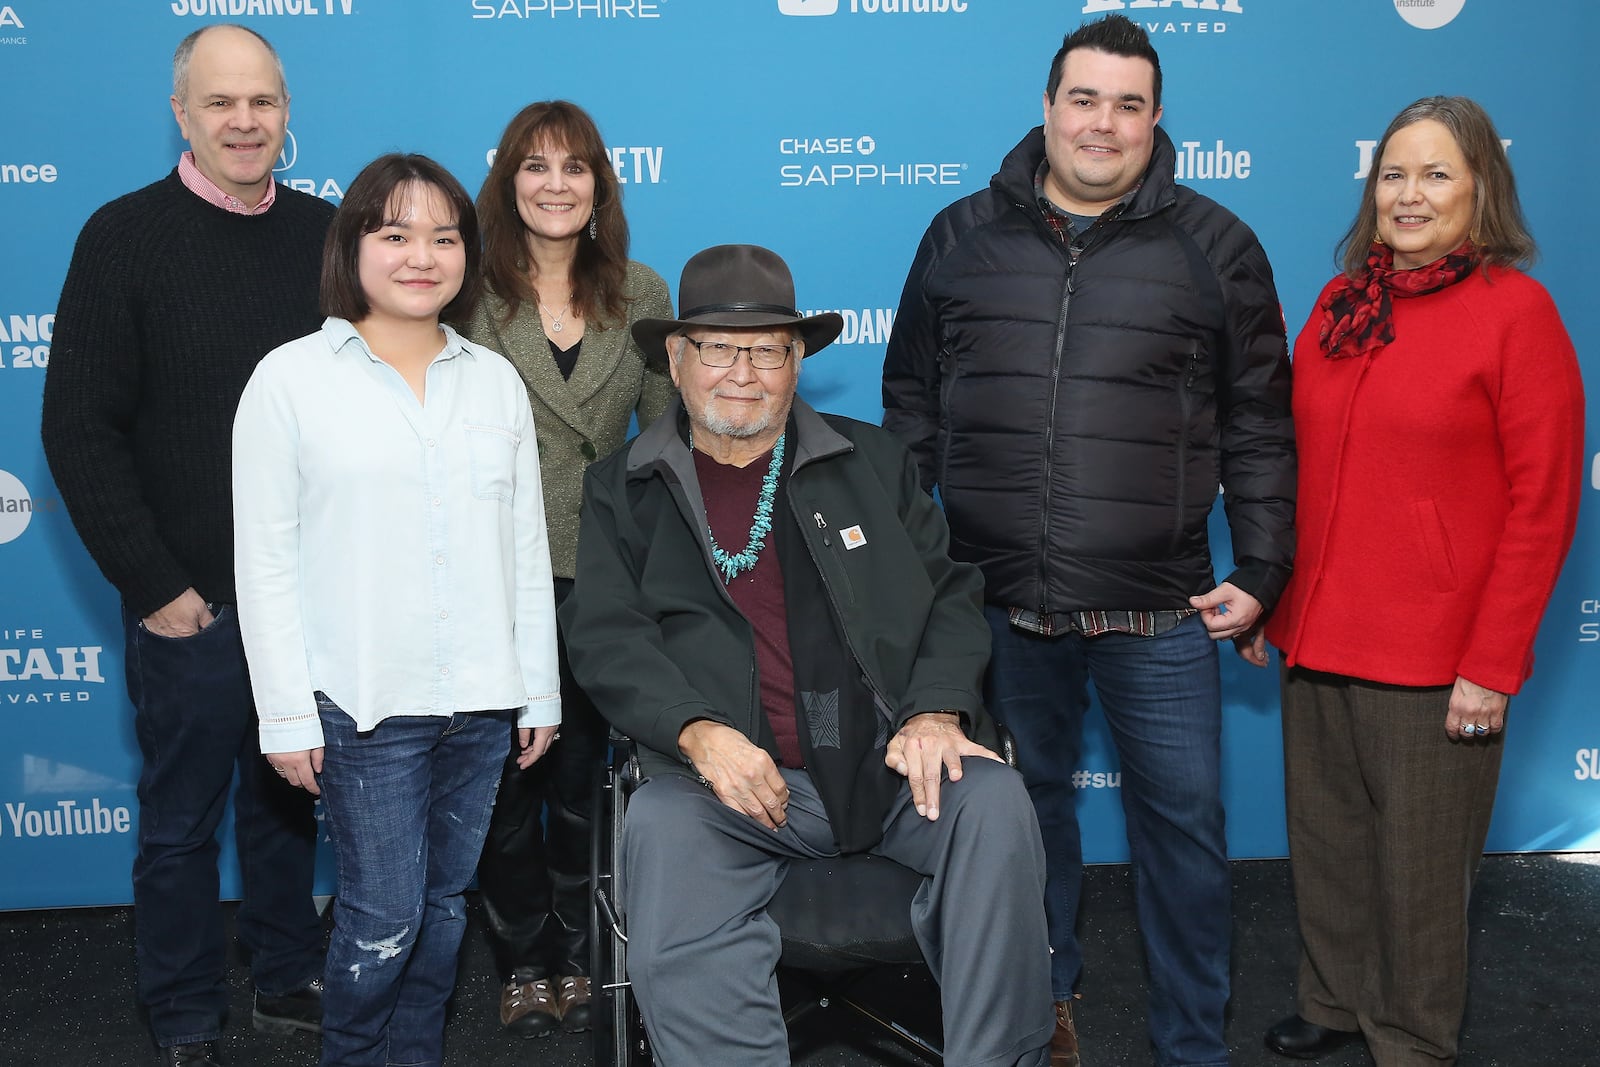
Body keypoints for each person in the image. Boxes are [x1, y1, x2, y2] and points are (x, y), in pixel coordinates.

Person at [882, 14, 1295, 1067]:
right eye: (1083, 98)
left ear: (1157, 121)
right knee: (1022, 826)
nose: (1102, 124)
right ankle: (1044, 1006)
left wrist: (1261, 567)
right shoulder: (959, 234)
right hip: (993, 605)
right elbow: (911, 410)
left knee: (1187, 841)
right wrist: (904, 574)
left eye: (1127, 104)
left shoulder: (1218, 247)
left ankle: (1191, 1041)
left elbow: (1257, 419)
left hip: (1157, 606)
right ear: (1046, 106)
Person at [561, 244, 1055, 1066]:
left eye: (768, 350)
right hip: (726, 784)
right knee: (658, 822)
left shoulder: (873, 462)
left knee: (996, 803)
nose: (743, 372)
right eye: (718, 347)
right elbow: (606, 633)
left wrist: (935, 707)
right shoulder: (624, 487)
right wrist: (696, 731)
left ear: (798, 363)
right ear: (676, 361)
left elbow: (953, 594)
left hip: (890, 768)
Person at [1261, 97, 1583, 1067]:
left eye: (1436, 174)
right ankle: (1331, 997)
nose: (1409, 193)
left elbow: (1544, 504)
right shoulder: (1337, 305)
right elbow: (1288, 458)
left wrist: (1490, 662)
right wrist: (1267, 594)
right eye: (1393, 173)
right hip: (1315, 630)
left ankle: (1409, 1038)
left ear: (1481, 188)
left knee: (1421, 872)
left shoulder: (1515, 313)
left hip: (1436, 656)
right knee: (1326, 843)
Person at [40, 24, 331, 1066]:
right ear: (182, 115)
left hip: (309, 596)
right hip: (191, 598)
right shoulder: (122, 236)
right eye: (221, 104)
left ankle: (289, 968)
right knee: (179, 816)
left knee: (290, 800)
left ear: (286, 113)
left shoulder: (329, 238)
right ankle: (182, 1008)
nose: (244, 122)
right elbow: (76, 427)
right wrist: (155, 582)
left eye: (261, 102)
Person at [231, 154, 562, 1067]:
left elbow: (524, 549)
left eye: (444, 237)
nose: (422, 255)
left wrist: (537, 691)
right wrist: (286, 712)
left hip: (483, 703)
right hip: (362, 702)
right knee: (381, 919)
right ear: (354, 248)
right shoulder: (290, 379)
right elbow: (262, 562)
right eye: (396, 233)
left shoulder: (493, 381)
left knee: (445, 914)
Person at [461, 100, 676, 1039]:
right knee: (503, 781)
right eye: (536, 166)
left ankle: (587, 950)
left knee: (588, 777)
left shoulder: (642, 289)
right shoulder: (464, 289)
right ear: (509, 181)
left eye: (575, 167)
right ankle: (522, 954)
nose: (556, 184)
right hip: (489, 572)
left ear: (600, 187)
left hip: (602, 573)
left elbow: (668, 439)